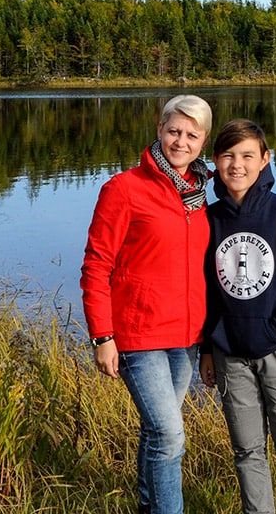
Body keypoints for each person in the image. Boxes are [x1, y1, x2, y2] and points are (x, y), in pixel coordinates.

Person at [79, 94, 214, 514]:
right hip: (138, 336)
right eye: (174, 131)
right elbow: (96, 265)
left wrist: (209, 341)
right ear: (159, 130)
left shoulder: (199, 195)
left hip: (186, 337)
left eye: (191, 135)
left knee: (156, 433)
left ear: (203, 142)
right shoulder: (124, 189)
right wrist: (102, 336)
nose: (181, 142)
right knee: (170, 435)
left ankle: (146, 505)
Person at [199, 118, 276, 514]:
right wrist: (207, 348)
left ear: (265, 159)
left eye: (248, 156)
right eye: (228, 156)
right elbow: (205, 291)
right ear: (215, 160)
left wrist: (272, 333)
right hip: (229, 357)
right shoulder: (209, 219)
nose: (238, 165)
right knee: (247, 451)